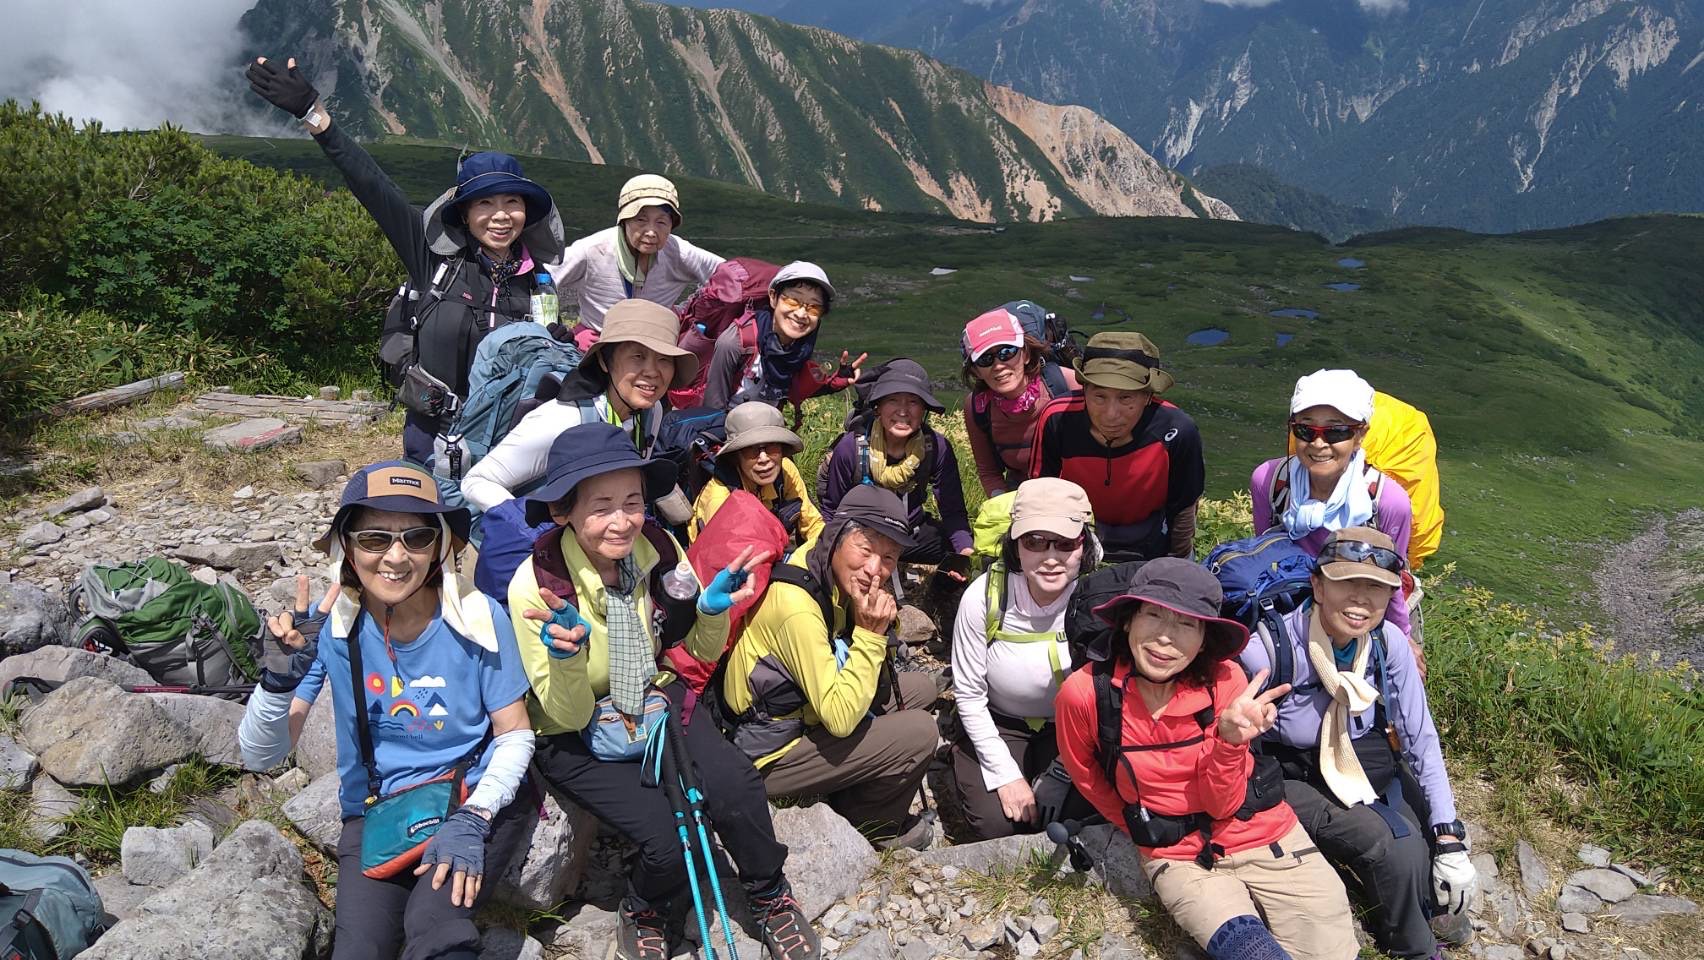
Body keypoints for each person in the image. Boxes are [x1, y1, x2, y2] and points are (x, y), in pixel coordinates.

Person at [505, 423, 819, 960]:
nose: (622, 520)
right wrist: (568, 660)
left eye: (632, 502)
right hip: (573, 727)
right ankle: (643, 906)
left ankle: (770, 894)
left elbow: (691, 650)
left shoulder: (656, 548)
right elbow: (567, 712)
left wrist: (710, 613)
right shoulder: (538, 588)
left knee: (736, 785)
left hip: (652, 694)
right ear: (562, 511)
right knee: (673, 839)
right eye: (601, 506)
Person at [237, 461, 535, 960]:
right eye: (375, 539)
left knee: (436, 927)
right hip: (377, 810)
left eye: (417, 537)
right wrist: (276, 684)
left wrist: (476, 816)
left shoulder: (477, 618)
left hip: (470, 797)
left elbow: (515, 733)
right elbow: (261, 755)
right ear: (347, 549)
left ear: (439, 546)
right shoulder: (332, 631)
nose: (396, 557)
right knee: (360, 948)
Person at [246, 57, 566, 466]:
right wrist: (315, 116)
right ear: (464, 213)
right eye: (485, 203)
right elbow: (374, 186)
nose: (500, 216)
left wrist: (557, 347)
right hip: (433, 435)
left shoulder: (538, 281)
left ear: (526, 211)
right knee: (424, 510)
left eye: (512, 202)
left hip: (508, 441)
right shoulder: (434, 258)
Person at [1056, 558, 1358, 960]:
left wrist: (1230, 742)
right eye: (1153, 615)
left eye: (1187, 624)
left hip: (1267, 835)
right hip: (1178, 856)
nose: (1166, 638)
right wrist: (1138, 825)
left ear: (1203, 640)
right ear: (1128, 620)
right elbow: (1086, 774)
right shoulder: (1085, 694)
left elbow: (1222, 804)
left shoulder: (1226, 681)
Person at [1239, 526, 1474, 960]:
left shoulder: (1387, 642)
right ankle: (1415, 949)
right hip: (1289, 770)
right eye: (1346, 583)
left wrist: (1448, 835)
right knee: (1395, 846)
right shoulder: (1266, 650)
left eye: (1376, 588)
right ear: (1318, 586)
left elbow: (1420, 737)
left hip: (1359, 750)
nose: (1361, 600)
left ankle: (1427, 905)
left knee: (1430, 829)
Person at [714, 485, 940, 849]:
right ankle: (874, 825)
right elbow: (839, 718)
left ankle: (852, 782)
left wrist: (883, 627)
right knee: (920, 731)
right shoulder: (796, 606)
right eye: (865, 549)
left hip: (803, 713)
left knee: (921, 690)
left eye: (889, 557)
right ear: (836, 536)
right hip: (766, 754)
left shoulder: (822, 564)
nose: (874, 569)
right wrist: (870, 634)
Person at [949, 478, 1100, 840]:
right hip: (1000, 720)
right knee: (999, 824)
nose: (1050, 557)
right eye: (1035, 542)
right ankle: (962, 758)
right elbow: (969, 694)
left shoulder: (1097, 600)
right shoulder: (983, 597)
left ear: (1085, 545)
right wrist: (1005, 776)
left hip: (1074, 728)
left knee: (1076, 813)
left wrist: (1062, 771)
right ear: (1015, 545)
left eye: (1065, 543)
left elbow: (1108, 696)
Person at [460, 299, 696, 513]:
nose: (652, 372)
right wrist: (528, 529)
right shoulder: (565, 418)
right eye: (638, 356)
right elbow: (476, 481)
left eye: (664, 359)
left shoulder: (650, 412)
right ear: (604, 361)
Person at [1251, 369, 1415, 638]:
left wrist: (1402, 641)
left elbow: (1392, 581)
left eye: (1336, 432)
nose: (1318, 443)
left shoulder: (1388, 501)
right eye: (1305, 429)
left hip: (1356, 623)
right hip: (1286, 619)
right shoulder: (1269, 481)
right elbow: (1263, 555)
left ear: (1360, 435)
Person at [1030, 331, 1204, 563]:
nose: (1111, 414)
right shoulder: (1057, 419)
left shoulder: (1177, 430)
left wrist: (1176, 562)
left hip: (1152, 535)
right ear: (1084, 389)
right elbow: (1040, 494)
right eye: (1099, 397)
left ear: (1148, 397)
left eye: (1125, 398)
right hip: (1076, 533)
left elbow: (1183, 507)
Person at [818, 359, 974, 571]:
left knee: (954, 547)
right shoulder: (850, 448)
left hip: (910, 536)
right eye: (892, 400)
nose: (903, 411)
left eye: (913, 402)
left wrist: (964, 554)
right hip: (860, 537)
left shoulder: (936, 448)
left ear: (924, 409)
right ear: (878, 408)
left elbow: (953, 511)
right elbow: (832, 510)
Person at [551, 174, 723, 351]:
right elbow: (543, 280)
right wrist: (554, 327)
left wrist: (689, 313)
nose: (651, 232)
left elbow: (730, 277)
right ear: (624, 220)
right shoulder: (593, 250)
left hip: (657, 347)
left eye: (661, 222)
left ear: (672, 225)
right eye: (641, 220)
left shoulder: (679, 253)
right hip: (597, 345)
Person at [701, 261, 863, 412]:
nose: (801, 314)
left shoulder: (799, 346)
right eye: (793, 301)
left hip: (766, 428)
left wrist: (835, 382)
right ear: (773, 297)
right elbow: (712, 410)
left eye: (813, 307)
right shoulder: (736, 342)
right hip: (727, 427)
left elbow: (789, 387)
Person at [960, 306, 1078, 497]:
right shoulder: (976, 407)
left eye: (1007, 352)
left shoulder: (1067, 384)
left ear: (1026, 354)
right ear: (975, 371)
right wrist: (1002, 505)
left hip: (1076, 492)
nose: (998, 365)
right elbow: (989, 472)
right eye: (985, 359)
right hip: (1021, 496)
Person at [688, 402, 824, 549]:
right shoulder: (720, 501)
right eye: (751, 449)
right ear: (736, 456)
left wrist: (827, 550)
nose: (764, 458)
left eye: (772, 446)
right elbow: (730, 558)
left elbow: (813, 524)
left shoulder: (785, 469)